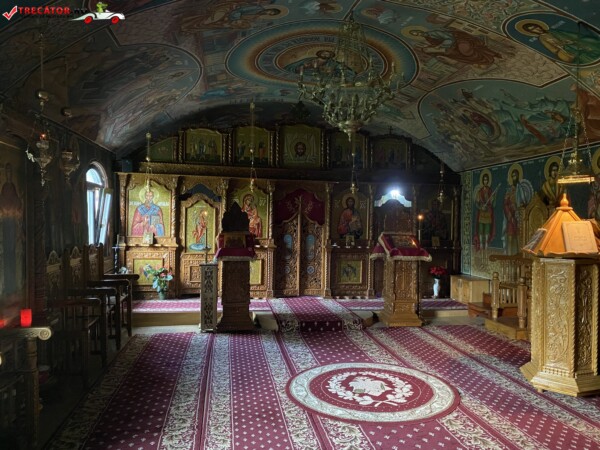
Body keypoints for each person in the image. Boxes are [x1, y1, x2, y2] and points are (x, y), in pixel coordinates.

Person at [518, 21, 600, 65]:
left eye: (536, 27)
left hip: (572, 43)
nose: (537, 29)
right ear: (532, 31)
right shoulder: (542, 38)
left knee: (589, 42)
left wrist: (570, 40)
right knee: (581, 54)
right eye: (533, 29)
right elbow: (552, 48)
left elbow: (566, 35)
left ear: (539, 26)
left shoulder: (552, 31)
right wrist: (561, 46)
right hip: (566, 49)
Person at [0, 163, 23, 296]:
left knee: (12, 253)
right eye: (7, 172)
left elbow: (17, 202)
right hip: (6, 224)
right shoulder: (4, 188)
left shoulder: (13, 188)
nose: (8, 174)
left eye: (10, 172)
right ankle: (7, 286)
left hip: (12, 225)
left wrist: (13, 209)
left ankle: (13, 284)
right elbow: (3, 202)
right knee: (6, 254)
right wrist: (6, 210)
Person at [474, 172, 496, 250]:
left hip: (488, 212)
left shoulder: (490, 191)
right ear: (482, 181)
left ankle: (486, 244)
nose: (485, 181)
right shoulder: (480, 192)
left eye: (486, 180)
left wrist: (493, 198)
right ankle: (480, 244)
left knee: (487, 229)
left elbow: (493, 203)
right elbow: (477, 203)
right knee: (480, 229)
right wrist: (481, 207)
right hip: (482, 212)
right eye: (484, 180)